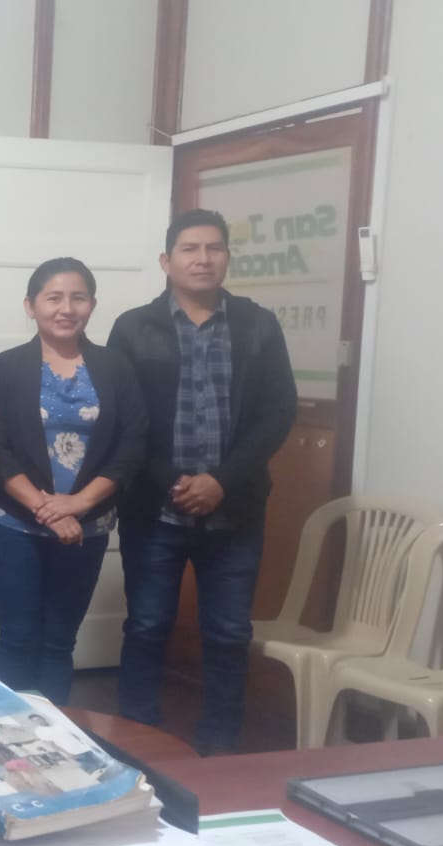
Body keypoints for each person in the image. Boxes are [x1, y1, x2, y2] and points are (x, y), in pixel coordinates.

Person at [108, 208, 297, 756]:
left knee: (229, 633)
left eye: (214, 248)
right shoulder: (134, 327)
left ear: (227, 258)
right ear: (166, 261)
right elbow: (125, 418)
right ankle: (136, 741)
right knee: (146, 625)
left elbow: (278, 411)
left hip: (234, 511)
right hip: (154, 508)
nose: (203, 259)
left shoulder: (257, 325)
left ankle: (220, 747)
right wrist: (174, 481)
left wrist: (221, 481)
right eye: (190, 249)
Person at [0, 258, 147, 706]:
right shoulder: (7, 367)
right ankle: (3, 738)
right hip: (16, 524)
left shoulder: (114, 367)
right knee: (17, 639)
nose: (66, 308)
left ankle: (53, 738)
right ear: (30, 305)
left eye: (78, 297)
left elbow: (133, 443)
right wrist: (46, 508)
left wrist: (79, 504)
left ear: (92, 305)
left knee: (59, 642)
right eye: (53, 297)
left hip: (86, 527)